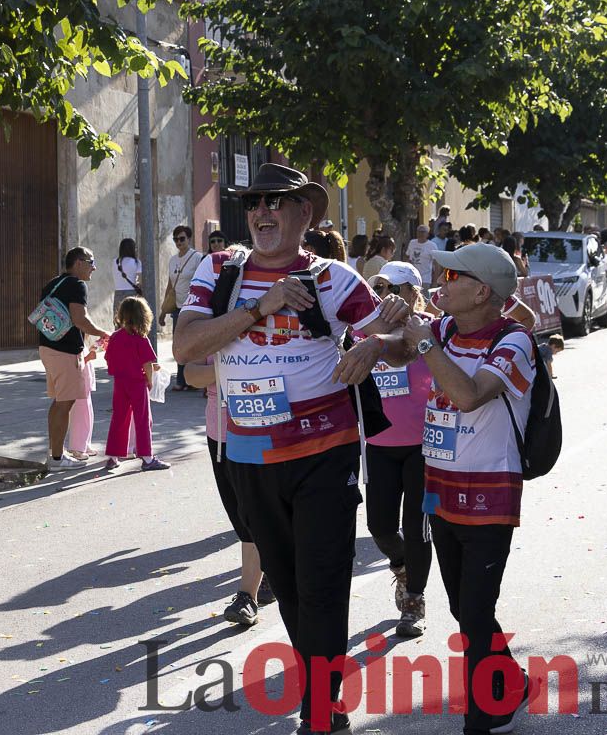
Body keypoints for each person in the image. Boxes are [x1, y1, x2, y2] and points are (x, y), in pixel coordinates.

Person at [174, 163, 410, 734]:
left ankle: (321, 710)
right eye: (255, 203)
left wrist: (377, 344)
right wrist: (262, 305)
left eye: (276, 203)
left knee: (322, 582)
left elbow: (402, 342)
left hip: (324, 456)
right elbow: (185, 346)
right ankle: (321, 687)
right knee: (289, 590)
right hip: (250, 458)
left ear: (305, 214)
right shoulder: (219, 272)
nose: (262, 214)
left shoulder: (334, 278)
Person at [401, 243, 539, 735]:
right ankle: (515, 681)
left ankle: (482, 718)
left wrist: (421, 344)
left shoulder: (513, 340)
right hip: (439, 491)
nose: (441, 276)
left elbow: (468, 395)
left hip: (489, 497)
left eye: (452, 272)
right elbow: (398, 341)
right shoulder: (442, 328)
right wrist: (380, 336)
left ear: (481, 290)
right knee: (464, 607)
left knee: (476, 614)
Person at [365, 263, 434, 638]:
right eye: (378, 285)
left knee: (417, 527)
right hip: (378, 445)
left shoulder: (427, 328)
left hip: (422, 446)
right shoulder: (365, 329)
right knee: (379, 525)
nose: (384, 293)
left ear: (412, 292)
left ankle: (415, 601)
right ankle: (403, 565)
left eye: (393, 287)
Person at [185, 355, 275, 625]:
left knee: (256, 514)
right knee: (240, 515)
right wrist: (222, 367)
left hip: (269, 429)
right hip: (222, 435)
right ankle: (265, 570)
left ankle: (247, 595)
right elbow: (190, 373)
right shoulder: (211, 318)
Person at [39, 247, 112, 470]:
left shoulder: (53, 283)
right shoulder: (77, 285)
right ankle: (58, 459)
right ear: (78, 262)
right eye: (91, 262)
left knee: (59, 402)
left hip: (47, 347)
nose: (94, 267)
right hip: (66, 351)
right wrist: (104, 333)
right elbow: (80, 319)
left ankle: (55, 455)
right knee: (65, 403)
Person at [104, 296, 169, 471]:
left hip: (120, 382)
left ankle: (112, 456)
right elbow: (147, 364)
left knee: (119, 418)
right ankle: (147, 457)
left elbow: (110, 358)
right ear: (143, 315)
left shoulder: (116, 337)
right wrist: (149, 380)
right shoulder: (141, 338)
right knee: (142, 420)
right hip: (137, 383)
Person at [161, 226, 202, 392]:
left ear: (189, 239)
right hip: (177, 307)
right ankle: (180, 379)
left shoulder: (197, 258)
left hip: (193, 306)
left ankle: (192, 380)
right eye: (176, 239)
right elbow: (170, 285)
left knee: (192, 343)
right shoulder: (172, 260)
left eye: (182, 238)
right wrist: (163, 310)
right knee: (178, 344)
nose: (179, 242)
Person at [113, 237, 143, 310]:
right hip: (131, 293)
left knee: (119, 319)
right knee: (132, 318)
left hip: (118, 293)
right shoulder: (136, 262)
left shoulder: (115, 262)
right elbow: (140, 280)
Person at [406, 224, 438, 289]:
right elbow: (407, 258)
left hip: (425, 279)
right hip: (412, 278)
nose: (421, 234)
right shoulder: (412, 243)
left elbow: (437, 264)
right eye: (419, 231)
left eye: (423, 232)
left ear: (427, 234)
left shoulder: (432, 245)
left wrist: (435, 281)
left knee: (424, 298)